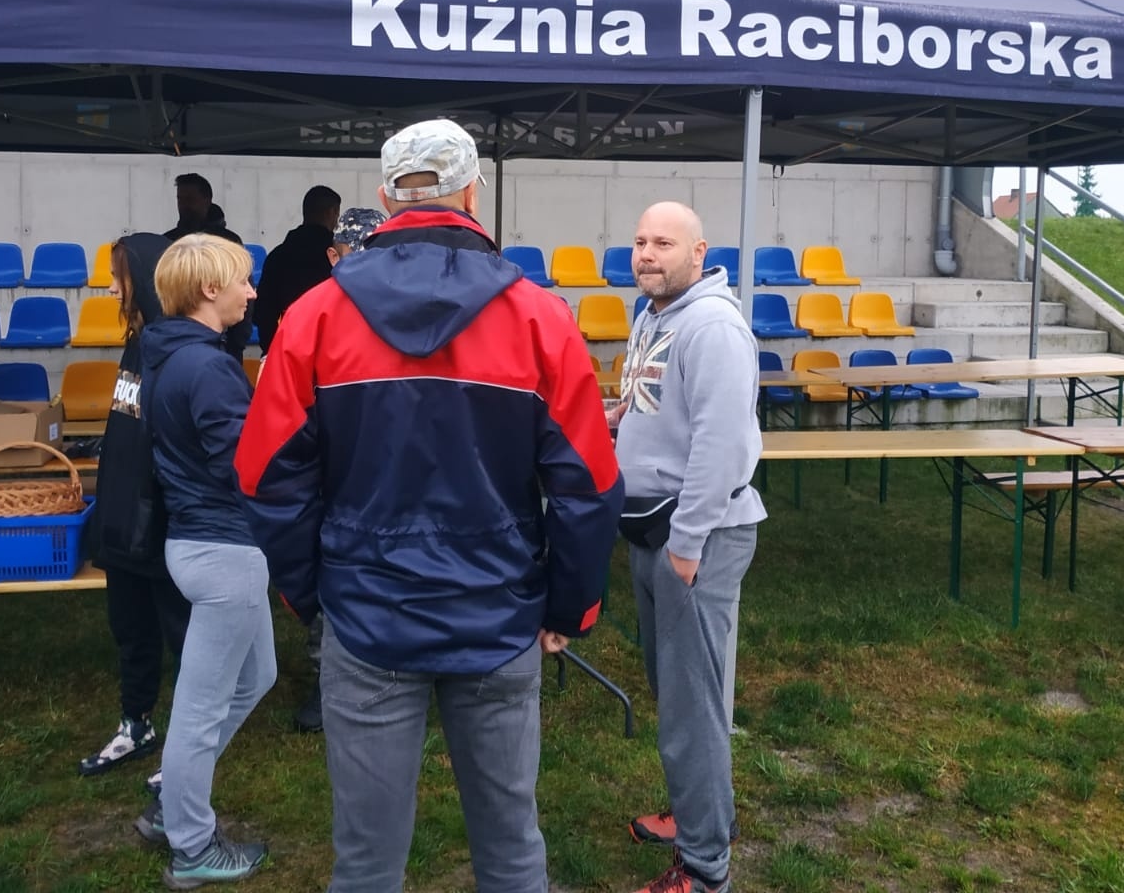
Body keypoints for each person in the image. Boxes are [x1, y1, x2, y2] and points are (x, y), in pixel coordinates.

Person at [235, 120, 623, 893]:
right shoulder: (540, 318)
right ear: (473, 192)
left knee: (366, 863)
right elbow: (589, 484)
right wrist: (569, 607)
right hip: (499, 611)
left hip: (366, 613)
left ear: (385, 199)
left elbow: (265, 476)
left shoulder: (313, 316)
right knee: (511, 850)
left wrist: (312, 595)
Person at [614, 201, 765, 893]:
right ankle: (700, 813)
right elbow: (657, 407)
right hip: (657, 529)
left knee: (692, 707)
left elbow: (721, 444)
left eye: (664, 243)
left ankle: (705, 869)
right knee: (678, 696)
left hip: (694, 538)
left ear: (699, 253)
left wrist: (687, 543)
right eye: (640, 241)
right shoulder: (653, 315)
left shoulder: (712, 327)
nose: (647, 254)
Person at [137, 233, 274, 889]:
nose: (252, 292)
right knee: (199, 712)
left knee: (257, 676)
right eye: (243, 280)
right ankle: (191, 843)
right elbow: (243, 467)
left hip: (201, 543)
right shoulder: (209, 367)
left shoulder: (166, 354)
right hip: (223, 552)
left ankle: (175, 798)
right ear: (209, 289)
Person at [80, 234, 192, 791]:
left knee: (184, 639)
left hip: (162, 525)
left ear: (144, 279)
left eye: (117, 276)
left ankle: (190, 749)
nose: (109, 288)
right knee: (130, 630)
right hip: (124, 523)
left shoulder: (177, 352)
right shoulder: (138, 344)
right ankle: (136, 724)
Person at [280, 205, 386, 735]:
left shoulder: (402, 312)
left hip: (389, 470)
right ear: (333, 254)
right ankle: (328, 684)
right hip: (330, 471)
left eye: (375, 252)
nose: (364, 262)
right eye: (353, 252)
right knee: (332, 577)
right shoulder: (310, 316)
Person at [165, 173, 252, 362]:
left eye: (190, 199)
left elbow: (244, 291)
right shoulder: (169, 242)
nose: (184, 206)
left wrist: (236, 344)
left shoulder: (229, 242)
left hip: (225, 344)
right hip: (178, 340)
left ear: (207, 200)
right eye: (180, 199)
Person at [252, 184, 340, 355]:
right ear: (332, 212)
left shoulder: (278, 255)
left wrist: (272, 352)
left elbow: (263, 313)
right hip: (330, 351)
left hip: (288, 347)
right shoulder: (337, 257)